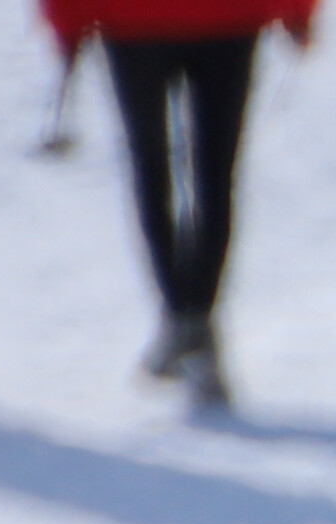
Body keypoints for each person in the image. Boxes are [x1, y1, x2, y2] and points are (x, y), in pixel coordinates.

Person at [48, 0, 311, 412]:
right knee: (215, 175)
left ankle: (182, 320)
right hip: (228, 21)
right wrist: (298, 13)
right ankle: (196, 322)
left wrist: (67, 24)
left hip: (134, 24)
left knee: (152, 170)